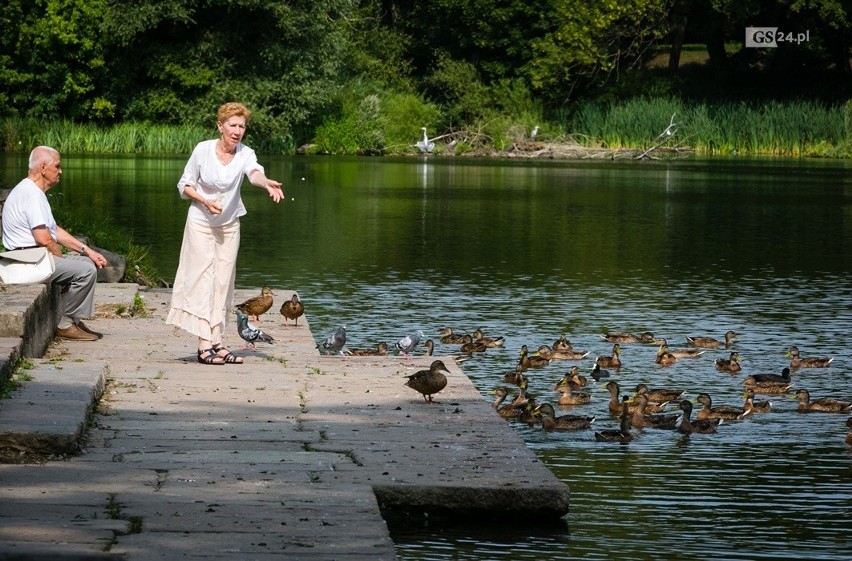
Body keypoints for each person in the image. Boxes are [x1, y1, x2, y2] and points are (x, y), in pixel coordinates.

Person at [166, 102, 284, 365]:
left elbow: (254, 173)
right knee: (202, 280)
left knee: (223, 283)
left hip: (229, 225)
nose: (237, 130)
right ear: (220, 126)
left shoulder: (245, 153)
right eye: (232, 125)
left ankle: (217, 343)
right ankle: (203, 345)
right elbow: (184, 184)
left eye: (242, 126)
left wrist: (265, 184)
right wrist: (204, 201)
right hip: (200, 222)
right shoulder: (202, 150)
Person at [1, 146, 109, 341]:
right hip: (28, 261)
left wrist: (88, 251)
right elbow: (44, 238)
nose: (61, 171)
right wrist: (60, 259)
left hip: (33, 256)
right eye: (57, 166)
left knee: (86, 263)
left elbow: (54, 230)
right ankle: (66, 324)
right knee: (85, 271)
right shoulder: (32, 195)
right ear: (43, 167)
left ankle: (74, 319)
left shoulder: (31, 191)